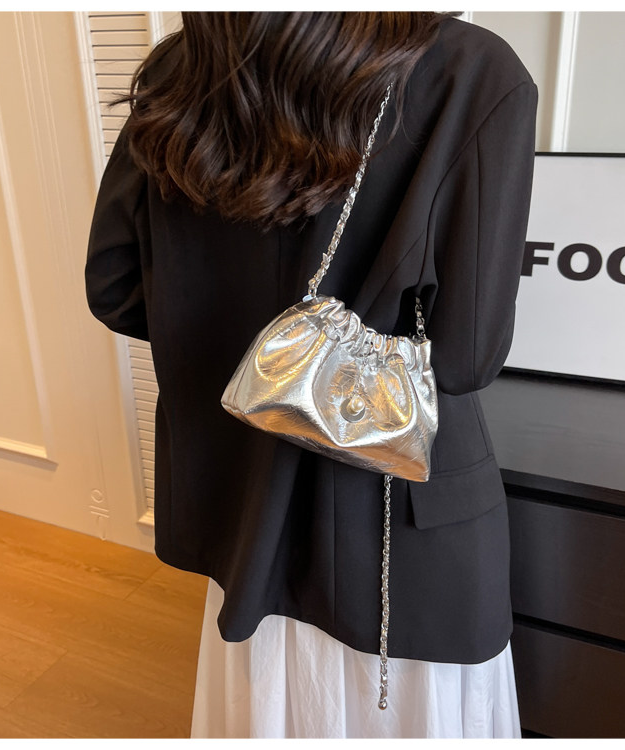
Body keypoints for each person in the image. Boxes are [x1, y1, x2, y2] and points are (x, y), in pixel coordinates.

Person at [85, 11, 538, 739]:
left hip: (241, 507)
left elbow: (114, 287)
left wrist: (254, 355)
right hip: (394, 527)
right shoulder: (469, 69)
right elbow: (466, 357)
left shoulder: (186, 64)